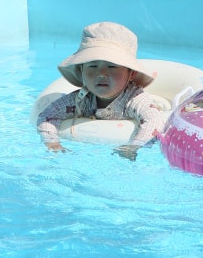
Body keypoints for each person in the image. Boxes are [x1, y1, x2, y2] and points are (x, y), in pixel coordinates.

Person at [36, 22, 166, 159]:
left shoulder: (134, 99)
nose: (101, 74)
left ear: (131, 73)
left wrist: (132, 147)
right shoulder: (81, 99)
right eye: (93, 66)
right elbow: (48, 115)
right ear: (81, 71)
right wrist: (52, 143)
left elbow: (154, 121)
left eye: (111, 66)